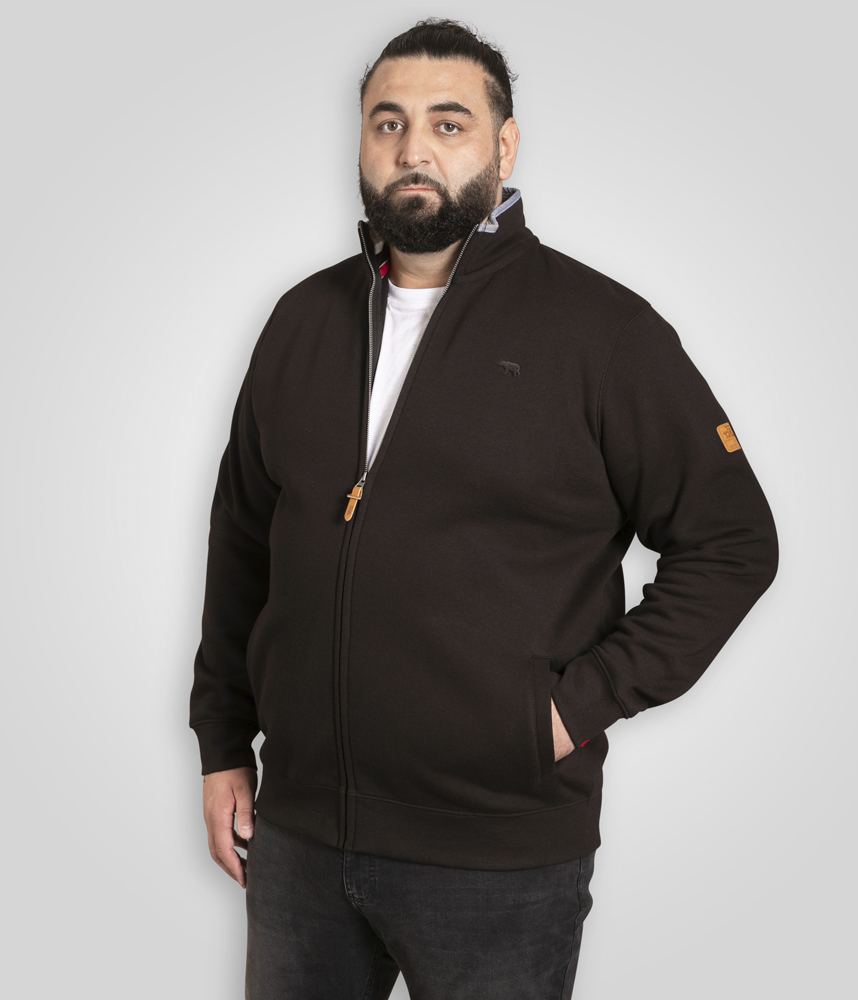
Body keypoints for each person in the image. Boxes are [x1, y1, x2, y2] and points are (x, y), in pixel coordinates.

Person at [189, 17, 778, 999]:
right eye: (388, 122)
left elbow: (732, 542)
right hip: (298, 843)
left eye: (448, 123)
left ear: (504, 147)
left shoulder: (604, 333)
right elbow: (243, 543)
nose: (413, 148)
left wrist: (567, 711)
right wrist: (221, 742)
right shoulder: (300, 321)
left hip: (496, 858)